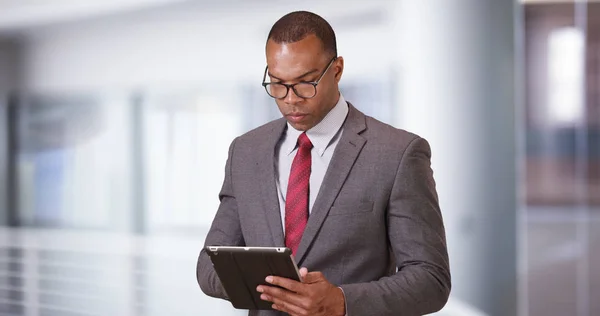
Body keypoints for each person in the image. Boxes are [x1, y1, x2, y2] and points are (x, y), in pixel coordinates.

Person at [197, 10, 451, 316]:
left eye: (305, 83)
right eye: (277, 84)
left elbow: (430, 280)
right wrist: (280, 290)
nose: (290, 99)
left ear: (337, 69)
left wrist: (341, 301)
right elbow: (209, 265)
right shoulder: (245, 152)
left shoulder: (398, 153)